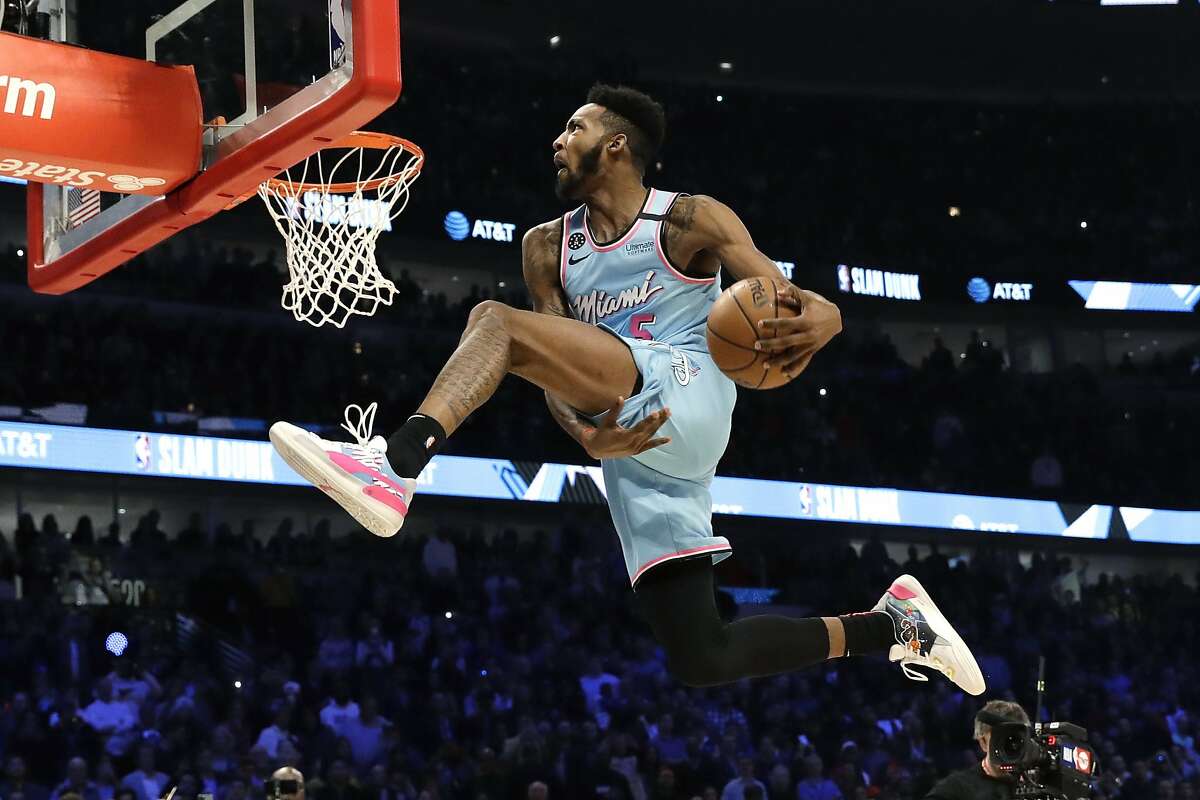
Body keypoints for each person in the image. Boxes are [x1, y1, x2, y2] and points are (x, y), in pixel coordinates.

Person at [269, 84, 984, 693]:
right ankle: (892, 626)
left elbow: (782, 295)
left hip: (687, 387)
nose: (556, 140)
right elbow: (546, 363)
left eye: (573, 127)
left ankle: (394, 466)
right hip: (628, 442)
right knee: (703, 656)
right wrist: (584, 435)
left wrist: (828, 315)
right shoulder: (546, 245)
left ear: (616, 146)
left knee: (492, 318)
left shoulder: (686, 217)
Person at [924, 701, 1029, 800]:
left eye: (1015, 740)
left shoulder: (1037, 783)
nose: (1011, 747)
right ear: (983, 742)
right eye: (1003, 740)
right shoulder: (956, 789)